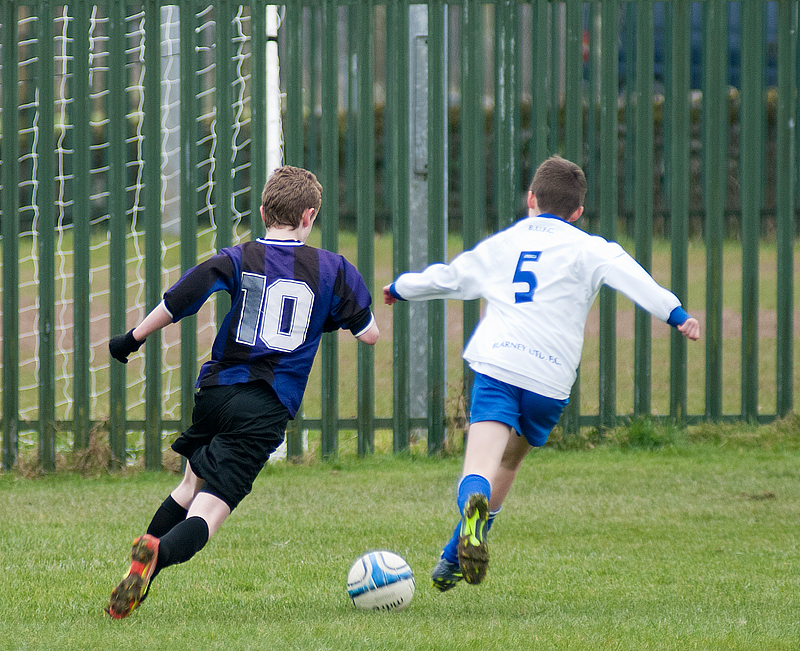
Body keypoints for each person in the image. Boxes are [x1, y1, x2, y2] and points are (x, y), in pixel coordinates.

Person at [383, 155, 700, 591]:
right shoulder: (591, 248)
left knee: (480, 463)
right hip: (549, 379)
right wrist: (676, 314)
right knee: (510, 462)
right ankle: (455, 552)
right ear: (577, 213)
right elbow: (634, 278)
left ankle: (468, 517)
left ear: (530, 198)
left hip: (498, 363)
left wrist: (402, 287)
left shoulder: (504, 244)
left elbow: (452, 278)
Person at [105, 166, 379, 618]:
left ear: (264, 211)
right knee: (210, 511)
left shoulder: (237, 257)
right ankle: (157, 557)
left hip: (214, 391)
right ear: (309, 215)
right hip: (265, 407)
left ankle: (142, 563)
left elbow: (182, 297)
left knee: (190, 482)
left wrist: (132, 337)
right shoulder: (333, 268)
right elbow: (367, 334)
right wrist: (327, 318)